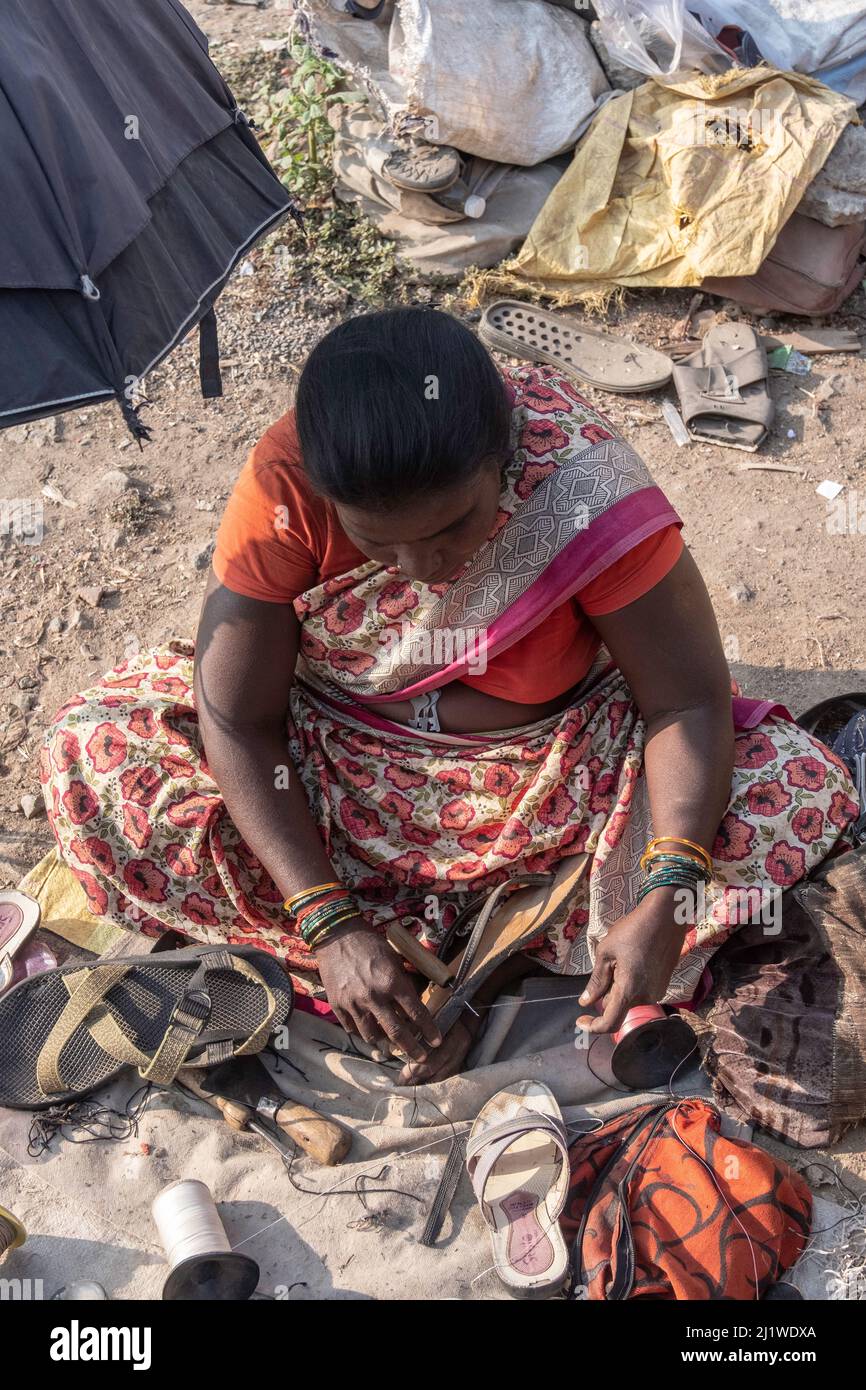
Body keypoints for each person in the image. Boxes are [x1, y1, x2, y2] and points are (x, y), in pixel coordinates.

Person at [42, 308, 858, 1084]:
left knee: (791, 786)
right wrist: (327, 919)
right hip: (338, 760)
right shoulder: (285, 485)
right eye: (376, 540)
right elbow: (240, 722)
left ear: (506, 461)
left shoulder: (576, 485)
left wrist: (669, 889)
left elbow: (686, 701)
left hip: (555, 778)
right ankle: (420, 951)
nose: (422, 567)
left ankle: (479, 963)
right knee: (98, 754)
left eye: (452, 529)